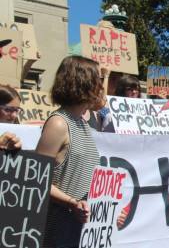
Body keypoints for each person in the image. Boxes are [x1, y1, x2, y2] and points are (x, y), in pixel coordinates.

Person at [36, 56, 104, 248]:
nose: (102, 86)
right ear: (84, 82)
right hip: (57, 228)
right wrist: (71, 202)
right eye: (98, 79)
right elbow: (37, 179)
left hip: (78, 229)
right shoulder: (59, 123)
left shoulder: (82, 123)